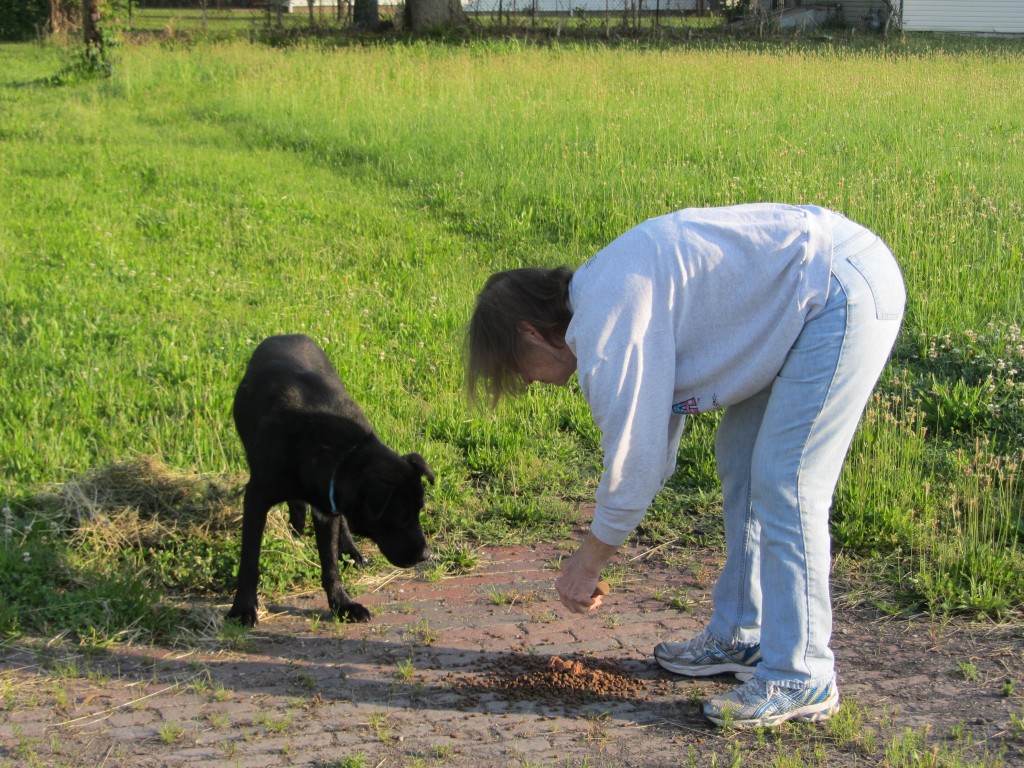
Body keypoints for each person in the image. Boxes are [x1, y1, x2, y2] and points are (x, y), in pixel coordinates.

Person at [466, 203, 905, 729]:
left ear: (532, 332)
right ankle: (741, 636)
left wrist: (588, 562)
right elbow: (656, 437)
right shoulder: (606, 299)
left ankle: (801, 674)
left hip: (836, 290)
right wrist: (606, 536)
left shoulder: (605, 322)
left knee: (787, 481)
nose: (531, 382)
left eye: (520, 368)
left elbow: (636, 461)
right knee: (743, 465)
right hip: (804, 295)